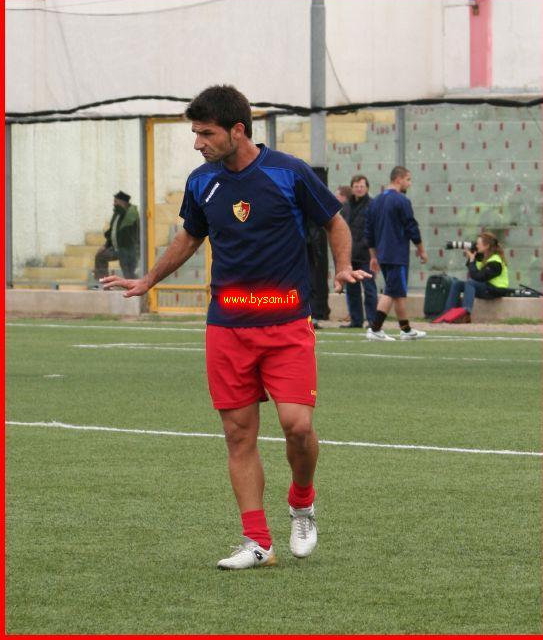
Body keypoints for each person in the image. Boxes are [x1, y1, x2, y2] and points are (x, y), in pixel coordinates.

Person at [100, 85, 369, 570]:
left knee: (298, 427)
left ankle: (302, 502)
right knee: (238, 435)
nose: (197, 143)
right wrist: (148, 279)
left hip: (286, 322)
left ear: (237, 130)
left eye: (206, 133)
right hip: (227, 327)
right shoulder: (202, 182)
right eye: (196, 133)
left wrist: (343, 266)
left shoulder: (288, 172)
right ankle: (257, 542)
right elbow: (189, 236)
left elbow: (335, 221)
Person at [364, 166, 428, 341]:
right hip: (397, 255)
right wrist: (421, 249)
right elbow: (411, 227)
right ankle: (375, 328)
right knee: (392, 291)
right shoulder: (401, 200)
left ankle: (405, 330)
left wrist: (373, 256)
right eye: (408, 179)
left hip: (383, 255)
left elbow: (369, 232)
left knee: (398, 291)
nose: (409, 183)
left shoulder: (375, 202)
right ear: (398, 179)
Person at [443, 231, 509, 322]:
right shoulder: (484, 257)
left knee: (470, 282)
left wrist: (472, 260)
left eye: (478, 244)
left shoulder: (495, 261)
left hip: (496, 290)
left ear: (487, 246)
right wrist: (472, 257)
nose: (476, 245)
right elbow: (473, 271)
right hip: (486, 287)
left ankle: (465, 313)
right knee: (457, 284)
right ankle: (447, 314)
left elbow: (478, 277)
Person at [339, 175, 378, 329]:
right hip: (350, 255)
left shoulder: (372, 205)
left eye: (362, 186)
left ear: (367, 188)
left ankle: (372, 320)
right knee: (352, 290)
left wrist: (368, 247)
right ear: (352, 188)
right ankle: (356, 320)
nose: (359, 189)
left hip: (366, 255)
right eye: (356, 186)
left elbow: (374, 229)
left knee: (369, 289)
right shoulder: (346, 206)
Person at [94, 191, 140, 280]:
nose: (114, 204)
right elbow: (112, 232)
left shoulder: (131, 216)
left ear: (123, 202)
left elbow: (129, 236)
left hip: (128, 251)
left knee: (129, 274)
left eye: (116, 201)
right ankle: (103, 282)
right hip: (117, 249)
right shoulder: (117, 213)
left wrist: (126, 252)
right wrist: (105, 246)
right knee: (100, 256)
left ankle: (134, 285)